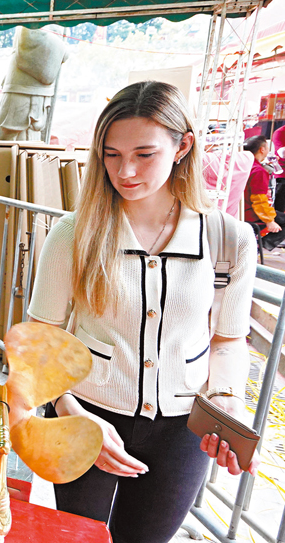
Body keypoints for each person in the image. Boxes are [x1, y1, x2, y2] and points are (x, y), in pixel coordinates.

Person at [28, 81, 259, 543]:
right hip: (84, 411)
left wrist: (229, 399)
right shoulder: (73, 233)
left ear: (182, 147)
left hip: (183, 431)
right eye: (111, 154)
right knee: (79, 537)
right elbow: (40, 338)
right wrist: (69, 410)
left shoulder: (228, 238)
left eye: (144, 154)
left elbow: (229, 340)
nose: (125, 170)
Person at [243, 136, 285, 250]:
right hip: (250, 213)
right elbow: (259, 200)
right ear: (262, 149)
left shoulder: (244, 165)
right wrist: (269, 221)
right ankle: (258, 247)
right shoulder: (259, 171)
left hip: (241, 210)